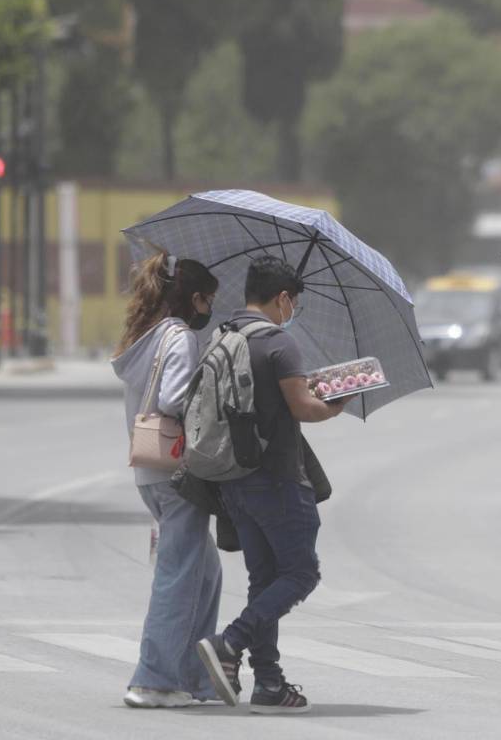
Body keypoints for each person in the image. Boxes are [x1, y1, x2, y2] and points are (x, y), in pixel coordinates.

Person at [196, 256, 345, 714]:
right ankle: (230, 643)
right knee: (301, 574)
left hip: (233, 480)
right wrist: (337, 403)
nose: (292, 310)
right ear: (283, 298)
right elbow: (303, 408)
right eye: (292, 302)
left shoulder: (224, 336)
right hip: (278, 478)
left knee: (264, 581)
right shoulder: (280, 344)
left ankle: (269, 683)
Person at [112, 251, 220, 708]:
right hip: (177, 473)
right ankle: (153, 680)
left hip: (150, 473)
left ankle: (195, 678)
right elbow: (175, 399)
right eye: (209, 301)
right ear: (195, 298)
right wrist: (212, 384)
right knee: (179, 575)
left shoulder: (147, 334)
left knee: (205, 573)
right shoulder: (179, 339)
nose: (210, 310)